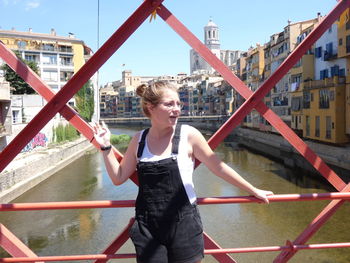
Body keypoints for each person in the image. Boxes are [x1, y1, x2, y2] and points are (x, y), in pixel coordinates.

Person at [92, 81, 273, 263]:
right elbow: (118, 177)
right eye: (169, 104)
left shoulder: (189, 135)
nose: (177, 109)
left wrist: (252, 190)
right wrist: (106, 147)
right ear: (151, 107)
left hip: (184, 224)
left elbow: (218, 166)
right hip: (148, 226)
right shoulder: (139, 140)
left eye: (179, 104)